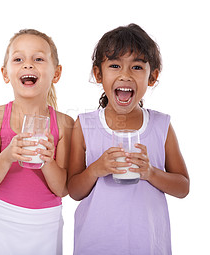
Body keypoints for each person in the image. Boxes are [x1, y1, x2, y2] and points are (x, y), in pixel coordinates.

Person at [67, 23, 190, 255]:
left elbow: (183, 187)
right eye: (115, 65)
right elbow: (74, 190)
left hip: (148, 246)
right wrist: (95, 169)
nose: (125, 75)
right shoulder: (84, 124)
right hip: (96, 245)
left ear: (152, 77)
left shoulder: (161, 125)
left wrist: (151, 173)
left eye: (136, 67)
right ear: (98, 74)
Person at [0, 29, 73, 255]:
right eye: (18, 59)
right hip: (1, 221)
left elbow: (63, 188)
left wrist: (48, 161)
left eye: (38, 59)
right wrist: (8, 155)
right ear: (5, 73)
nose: (28, 65)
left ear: (56, 73)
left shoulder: (66, 124)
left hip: (45, 225)